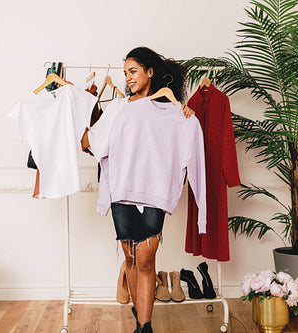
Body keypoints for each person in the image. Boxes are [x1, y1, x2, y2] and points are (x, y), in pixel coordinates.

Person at [81, 47, 198, 333]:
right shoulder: (120, 107)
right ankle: (142, 323)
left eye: (133, 71)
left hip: (154, 191)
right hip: (121, 190)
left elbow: (187, 147)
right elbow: (90, 144)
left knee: (146, 258)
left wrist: (187, 116)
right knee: (131, 257)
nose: (128, 78)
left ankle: (144, 324)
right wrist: (86, 121)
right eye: (125, 73)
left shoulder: (173, 110)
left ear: (150, 71)